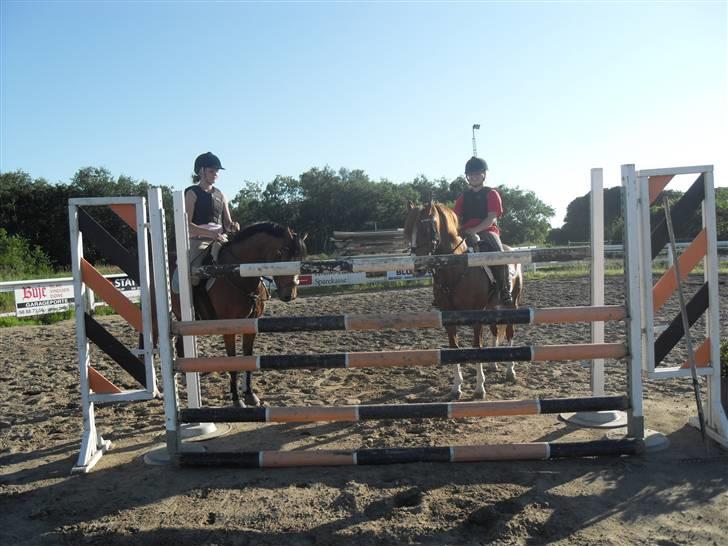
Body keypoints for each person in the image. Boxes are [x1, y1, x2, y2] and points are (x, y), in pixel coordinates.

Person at [453, 156, 513, 306]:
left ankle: (504, 289)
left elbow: (491, 218)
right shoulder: (463, 197)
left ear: (484, 175)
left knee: (498, 253)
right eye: (471, 174)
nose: (474, 177)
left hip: (487, 230)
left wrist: (474, 230)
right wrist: (460, 230)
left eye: (477, 174)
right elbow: (455, 218)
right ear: (467, 177)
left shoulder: (491, 194)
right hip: (466, 233)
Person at [185, 151, 239, 286]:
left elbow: (227, 223)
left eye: (216, 171)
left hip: (220, 240)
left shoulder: (221, 194)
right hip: (199, 242)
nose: (215, 174)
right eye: (211, 171)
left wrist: (233, 226)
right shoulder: (191, 193)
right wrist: (211, 234)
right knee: (194, 275)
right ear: (201, 171)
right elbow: (186, 224)